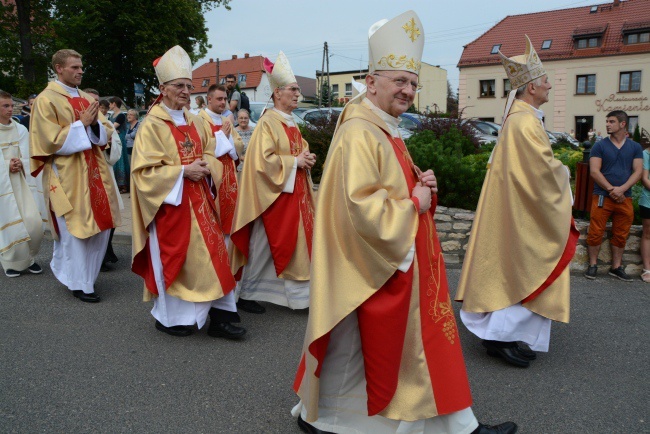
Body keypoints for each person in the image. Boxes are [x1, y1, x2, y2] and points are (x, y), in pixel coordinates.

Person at [293, 11, 516, 434]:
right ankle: (456, 427)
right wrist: (414, 201)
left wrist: (419, 181)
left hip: (392, 256)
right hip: (378, 256)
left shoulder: (383, 126)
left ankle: (321, 417)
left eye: (413, 83)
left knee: (357, 343)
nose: (409, 90)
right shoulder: (361, 130)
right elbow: (361, 205)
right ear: (372, 81)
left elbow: (385, 184)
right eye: (400, 81)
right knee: (412, 346)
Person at [455, 36, 577, 368]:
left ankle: (504, 335)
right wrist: (563, 174)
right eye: (546, 80)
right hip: (522, 213)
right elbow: (541, 175)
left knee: (515, 270)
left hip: (517, 209)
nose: (550, 86)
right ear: (532, 87)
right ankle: (498, 335)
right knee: (522, 269)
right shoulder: (524, 122)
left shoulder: (523, 118)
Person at [130, 45, 245, 339]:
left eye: (188, 86)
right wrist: (183, 171)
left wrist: (207, 164)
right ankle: (172, 318)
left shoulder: (195, 120)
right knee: (180, 261)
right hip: (171, 206)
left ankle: (221, 317)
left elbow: (209, 150)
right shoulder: (151, 125)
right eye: (179, 86)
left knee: (215, 257)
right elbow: (144, 173)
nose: (185, 91)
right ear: (163, 88)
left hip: (201, 202)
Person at [30, 49, 121, 303]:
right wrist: (81, 124)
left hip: (94, 172)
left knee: (98, 228)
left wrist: (92, 124)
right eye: (74, 67)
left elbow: (106, 129)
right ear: (59, 68)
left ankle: (87, 278)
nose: (80, 71)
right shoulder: (46, 100)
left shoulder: (84, 97)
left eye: (81, 67)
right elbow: (48, 141)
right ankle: (77, 282)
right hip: (67, 175)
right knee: (75, 229)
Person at [229, 52, 316, 314]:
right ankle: (247, 293)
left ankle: (296, 296)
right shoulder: (267, 123)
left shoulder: (291, 122)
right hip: (275, 196)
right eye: (293, 89)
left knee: (290, 245)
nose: (298, 94)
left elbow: (298, 149)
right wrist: (294, 163)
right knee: (266, 246)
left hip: (295, 194)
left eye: (298, 90)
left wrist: (307, 157)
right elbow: (261, 161)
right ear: (278, 93)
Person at [584, 110, 643, 281]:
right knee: (595, 231)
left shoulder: (635, 147)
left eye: (611, 121)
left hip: (625, 197)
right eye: (607, 121)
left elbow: (638, 171)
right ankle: (593, 265)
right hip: (602, 196)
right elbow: (594, 171)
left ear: (622, 124)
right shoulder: (600, 146)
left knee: (621, 232)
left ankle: (616, 267)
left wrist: (622, 189)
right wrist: (612, 190)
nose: (607, 124)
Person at [0, 90, 46, 278]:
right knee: (10, 224)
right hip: (4, 186)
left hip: (22, 183)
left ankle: (30, 258)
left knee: (33, 223)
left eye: (11, 105)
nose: (11, 109)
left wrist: (20, 162)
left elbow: (29, 155)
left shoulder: (21, 129)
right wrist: (5, 165)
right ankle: (11, 262)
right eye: (5, 106)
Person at [83, 88, 123, 270]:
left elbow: (116, 142)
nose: (96, 105)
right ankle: (92, 257)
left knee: (110, 215)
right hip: (86, 175)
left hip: (105, 171)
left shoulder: (104, 121)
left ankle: (106, 252)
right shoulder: (78, 119)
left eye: (97, 101)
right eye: (92, 100)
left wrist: (107, 146)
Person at [198, 84, 243, 242]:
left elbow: (238, 144)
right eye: (219, 99)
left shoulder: (226, 120)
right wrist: (221, 136)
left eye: (225, 99)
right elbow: (200, 148)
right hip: (213, 178)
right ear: (209, 99)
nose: (223, 102)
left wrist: (228, 137)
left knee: (231, 217)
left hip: (230, 177)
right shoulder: (200, 120)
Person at [109, 97, 130, 193]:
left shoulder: (121, 115)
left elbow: (112, 127)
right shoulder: (112, 115)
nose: (109, 105)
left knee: (121, 159)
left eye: (110, 103)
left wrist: (112, 129)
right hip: (114, 138)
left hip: (119, 139)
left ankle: (124, 185)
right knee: (115, 159)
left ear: (114, 104)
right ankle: (118, 183)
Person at [640, 145, 650, 283]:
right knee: (648, 233)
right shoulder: (646, 154)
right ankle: (647, 268)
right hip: (648, 200)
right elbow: (644, 178)